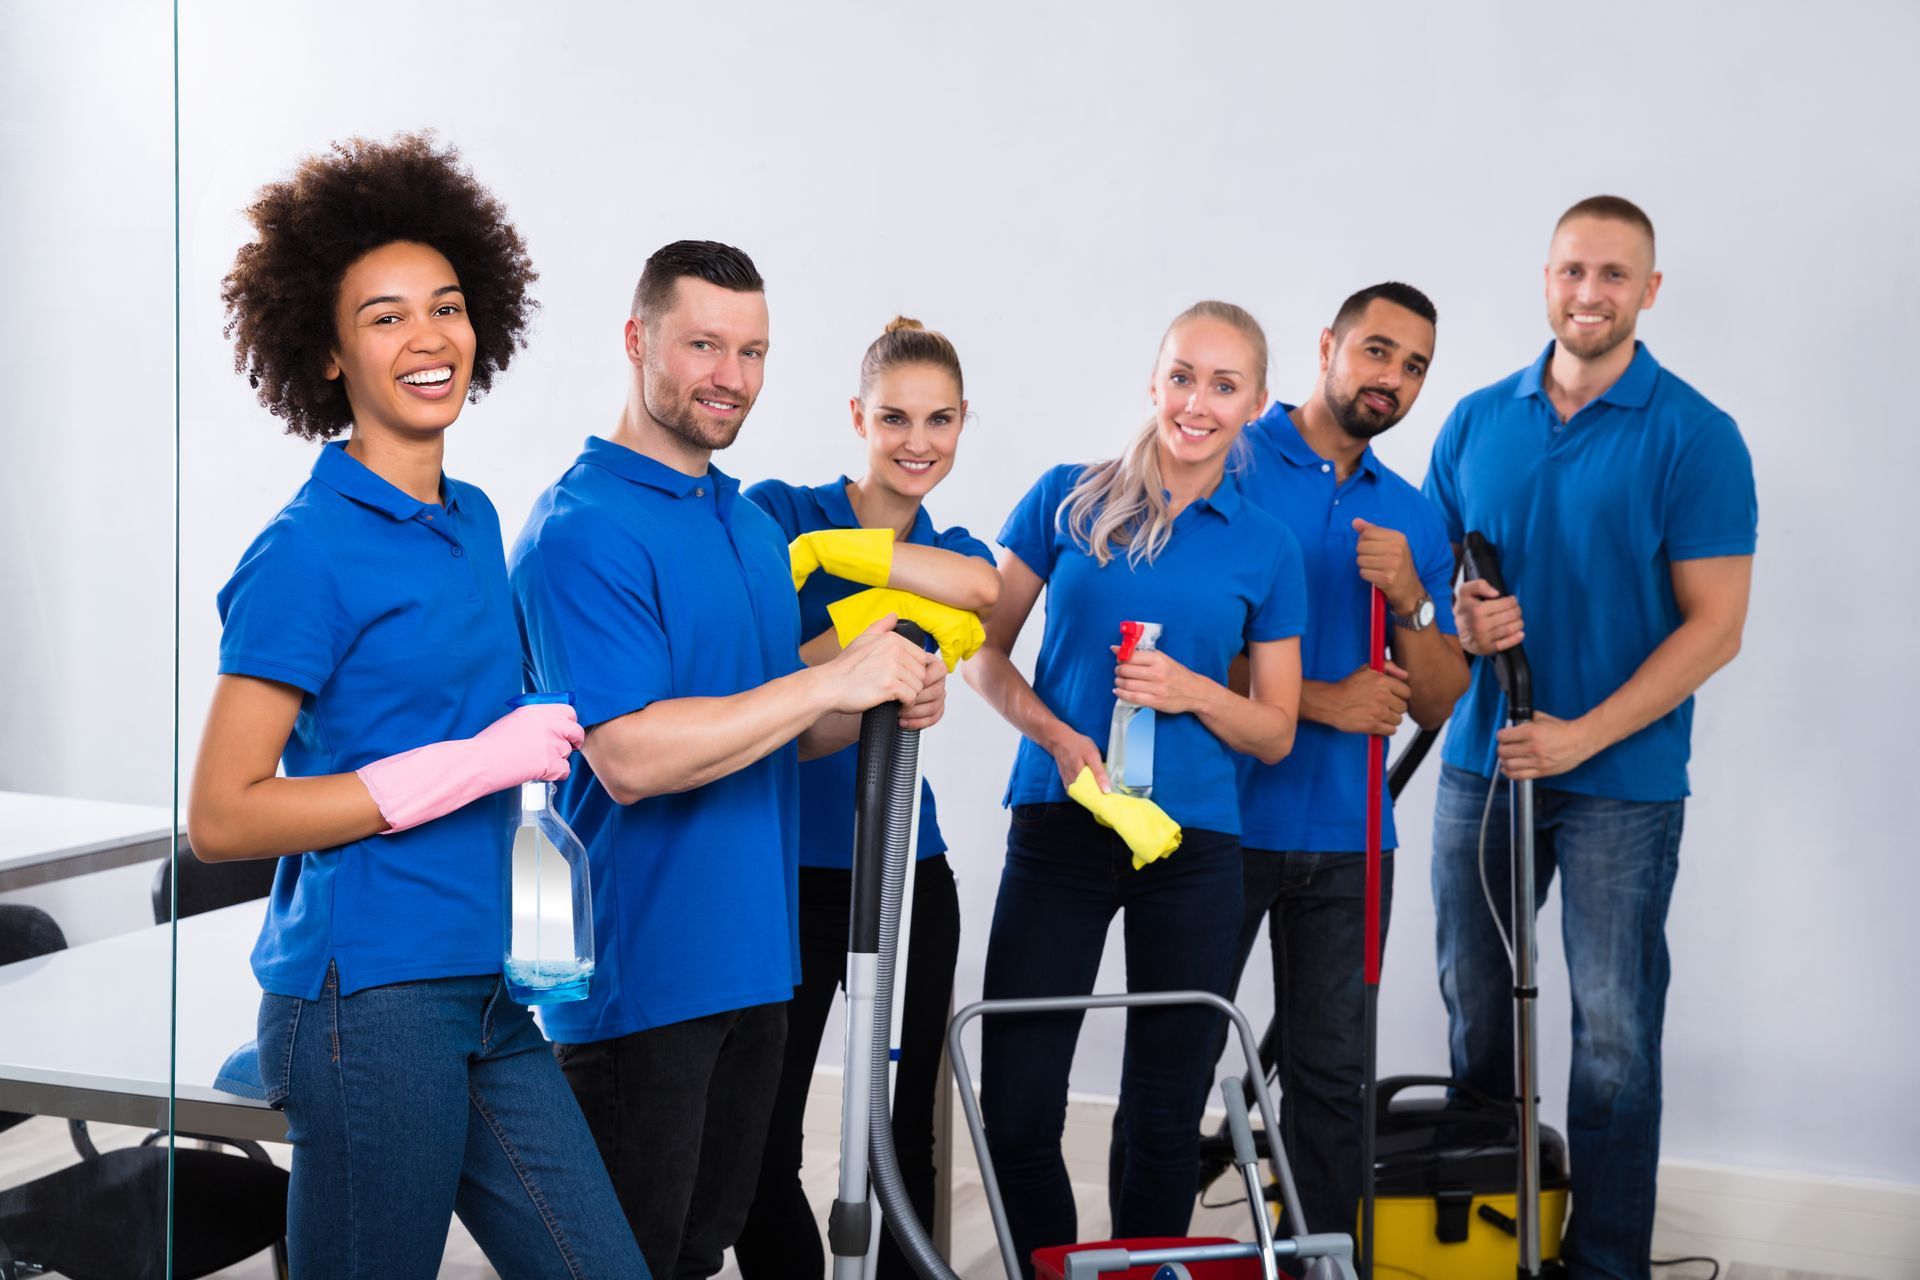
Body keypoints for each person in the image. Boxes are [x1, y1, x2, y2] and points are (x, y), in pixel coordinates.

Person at [187, 133, 648, 1277]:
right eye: (385, 316)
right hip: (367, 1006)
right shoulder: (304, 554)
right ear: (330, 352)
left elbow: (471, 719)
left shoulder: (475, 515)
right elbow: (225, 817)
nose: (428, 337)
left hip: (486, 986)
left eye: (445, 306)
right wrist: (473, 761)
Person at [508, 242, 948, 1279]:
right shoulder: (580, 530)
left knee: (702, 1251)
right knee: (627, 1262)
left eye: (752, 351)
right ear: (636, 339)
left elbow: (779, 729)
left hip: (757, 966)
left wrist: (881, 698)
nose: (731, 376)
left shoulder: (748, 529)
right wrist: (830, 678)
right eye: (703, 343)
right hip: (639, 985)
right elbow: (631, 756)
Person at [1422, 196, 1756, 1280]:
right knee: (1477, 1014)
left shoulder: (1695, 435)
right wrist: (1465, 620)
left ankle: (1603, 1263)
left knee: (1612, 1037)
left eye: (1615, 275)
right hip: (1482, 767)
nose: (1590, 292)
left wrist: (1580, 737)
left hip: (1623, 779)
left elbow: (1718, 627)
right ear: (1546, 276)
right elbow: (1439, 594)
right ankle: (1484, 1239)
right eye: (1572, 270)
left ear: (1649, 291)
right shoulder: (1476, 419)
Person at [965, 301, 1307, 1276]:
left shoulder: (1266, 547)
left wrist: (1196, 689)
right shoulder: (1062, 499)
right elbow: (982, 651)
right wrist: (1054, 731)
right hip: (1060, 822)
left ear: (1256, 403)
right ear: (1155, 379)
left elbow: (1276, 730)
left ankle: (1143, 1272)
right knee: (1019, 1101)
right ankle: (1053, 1270)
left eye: (1224, 384)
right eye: (1183, 375)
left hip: (1192, 845)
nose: (1198, 402)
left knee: (1163, 1112)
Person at [734, 316, 999, 1279]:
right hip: (786, 873)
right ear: (857, 414)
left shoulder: (954, 544)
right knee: (762, 1135)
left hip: (905, 872)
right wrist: (858, 654)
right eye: (894, 417)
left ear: (965, 422)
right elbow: (769, 695)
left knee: (906, 1139)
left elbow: (979, 588)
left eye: (939, 420)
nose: (917, 442)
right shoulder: (776, 509)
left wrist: (835, 578)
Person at [1216, 282, 1470, 1241]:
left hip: (1354, 841)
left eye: (1413, 368)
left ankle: (1323, 1266)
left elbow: (1440, 700)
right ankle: (1141, 1260)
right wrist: (1322, 703)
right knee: (1175, 1055)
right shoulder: (1230, 455)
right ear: (1326, 345)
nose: (1392, 379)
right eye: (1377, 352)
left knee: (1333, 1087)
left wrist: (1411, 600)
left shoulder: (1409, 513)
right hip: (1222, 820)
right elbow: (1184, 646)